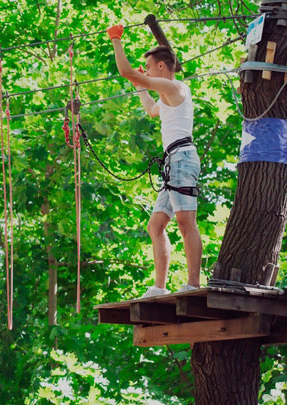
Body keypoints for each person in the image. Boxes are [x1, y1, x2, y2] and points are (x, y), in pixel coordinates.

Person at [107, 24, 203, 298]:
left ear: (162, 67)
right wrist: (140, 84)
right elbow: (151, 110)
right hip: (174, 161)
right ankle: (159, 287)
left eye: (148, 67)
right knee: (156, 225)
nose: (146, 71)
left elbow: (126, 71)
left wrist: (116, 40)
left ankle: (193, 284)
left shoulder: (175, 87)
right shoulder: (167, 95)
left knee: (186, 221)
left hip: (182, 158)